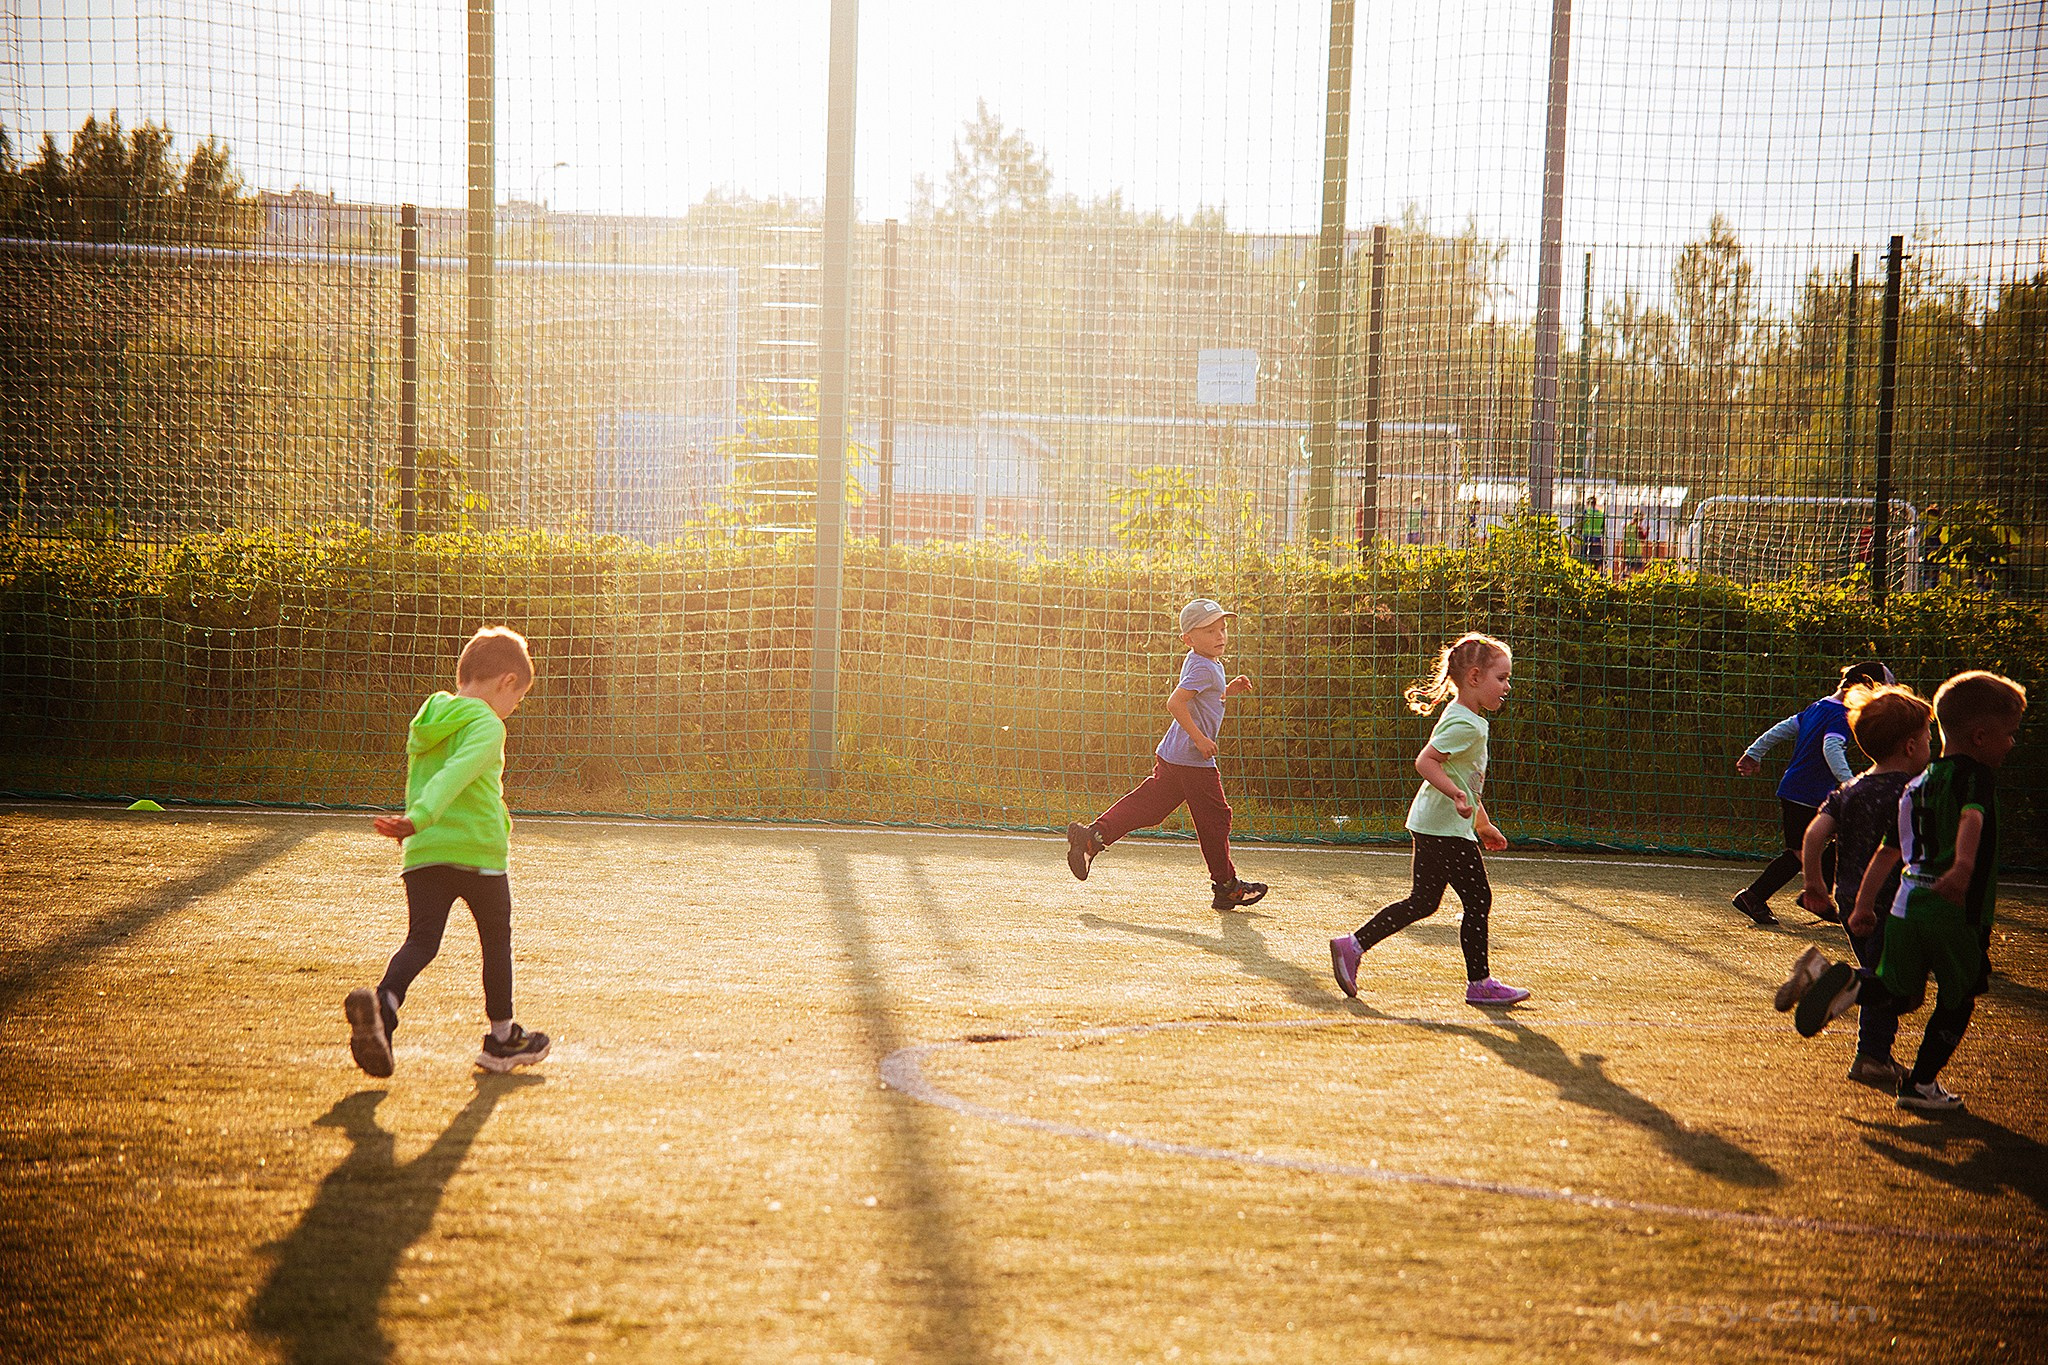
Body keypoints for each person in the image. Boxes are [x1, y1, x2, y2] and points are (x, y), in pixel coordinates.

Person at [1779, 670, 2026, 1112]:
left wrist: (1836, 892)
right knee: (1932, 992)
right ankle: (1896, 1071)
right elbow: (1958, 824)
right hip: (1925, 906)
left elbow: (1857, 842)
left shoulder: (1883, 786)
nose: (2012, 743)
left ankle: (1835, 981)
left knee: (1892, 984)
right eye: (2009, 735)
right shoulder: (1948, 782)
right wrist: (1964, 865)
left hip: (1879, 900)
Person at [345, 626, 553, 1078]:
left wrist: (416, 826)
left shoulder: (431, 715)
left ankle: (383, 1006)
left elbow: (431, 774)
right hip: (476, 851)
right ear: (507, 682)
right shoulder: (486, 724)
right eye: (516, 700)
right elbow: (455, 775)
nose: (512, 710)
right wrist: (421, 816)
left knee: (422, 941)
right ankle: (502, 1040)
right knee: (496, 942)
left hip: (424, 852)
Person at [1330, 632, 1530, 1006]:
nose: (1507, 686)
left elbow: (1465, 781)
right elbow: (1427, 761)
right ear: (1474, 678)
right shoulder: (1466, 723)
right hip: (1443, 829)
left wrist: (1482, 822)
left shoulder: (1464, 716)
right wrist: (1454, 795)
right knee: (1478, 899)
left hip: (1435, 826)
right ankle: (1480, 983)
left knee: (1423, 902)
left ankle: (1352, 945)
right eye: (1501, 678)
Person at [1773, 683, 1932, 1088]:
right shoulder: (1911, 792)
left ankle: (1872, 1058)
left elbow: (1812, 836)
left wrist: (1815, 887)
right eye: (1929, 739)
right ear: (1911, 747)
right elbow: (1894, 850)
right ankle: (1821, 974)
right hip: (1892, 902)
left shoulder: (1851, 787)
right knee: (1900, 989)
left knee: (1876, 975)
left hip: (1847, 899)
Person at [1066, 599, 1269, 909]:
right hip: (1192, 760)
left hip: (1174, 755)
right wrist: (1201, 739)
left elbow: (1204, 694)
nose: (1220, 636)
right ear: (1189, 638)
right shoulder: (1203, 665)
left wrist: (1228, 689)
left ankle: (1093, 837)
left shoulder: (1201, 661)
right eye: (1210, 631)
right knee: (1216, 819)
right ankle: (1227, 886)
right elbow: (1176, 703)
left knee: (1149, 807)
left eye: (1223, 628)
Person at [1731, 660, 1895, 925]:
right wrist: (1852, 784)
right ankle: (1754, 896)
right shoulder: (1842, 712)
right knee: (1799, 852)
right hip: (1805, 793)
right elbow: (1831, 747)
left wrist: (1754, 752)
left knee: (1840, 839)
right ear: (1865, 688)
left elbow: (1783, 728)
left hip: (1800, 790)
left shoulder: (1819, 706)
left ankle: (1814, 893)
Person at [1575, 495, 1606, 572]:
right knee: (1595, 560)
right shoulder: (1601, 514)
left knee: (1584, 559)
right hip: (1597, 538)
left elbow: (1580, 525)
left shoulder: (1586, 512)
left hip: (1587, 537)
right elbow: (1602, 528)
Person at [1621, 510, 1648, 577]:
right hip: (1636, 551)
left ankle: (1624, 577)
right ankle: (1633, 580)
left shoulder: (1626, 526)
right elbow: (1642, 539)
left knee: (1628, 566)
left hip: (1627, 550)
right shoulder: (1638, 528)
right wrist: (1647, 531)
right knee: (1638, 567)